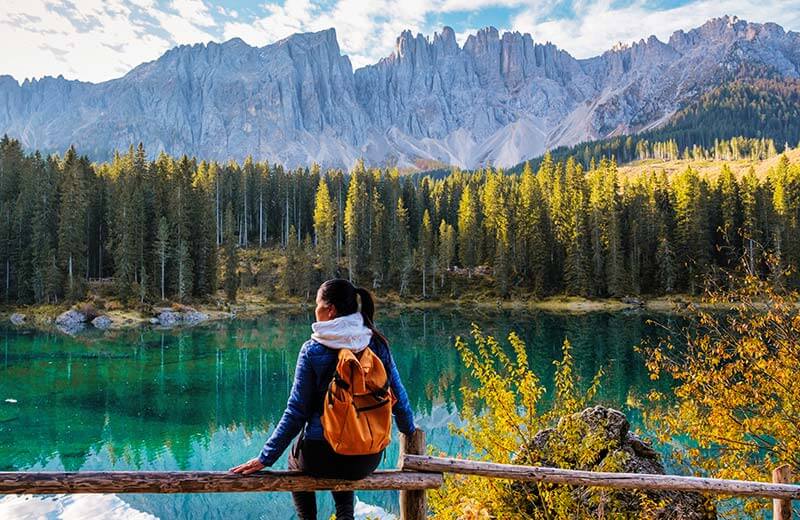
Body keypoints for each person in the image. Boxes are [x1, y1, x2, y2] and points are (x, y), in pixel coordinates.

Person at [230, 278, 416, 520]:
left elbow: (296, 413)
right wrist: (409, 430)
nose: (314, 310)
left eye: (317, 305)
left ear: (330, 310)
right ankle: (345, 516)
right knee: (348, 442)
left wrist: (265, 458)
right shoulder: (375, 344)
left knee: (295, 460)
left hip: (321, 457)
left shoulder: (312, 349)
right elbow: (399, 399)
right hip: (367, 458)